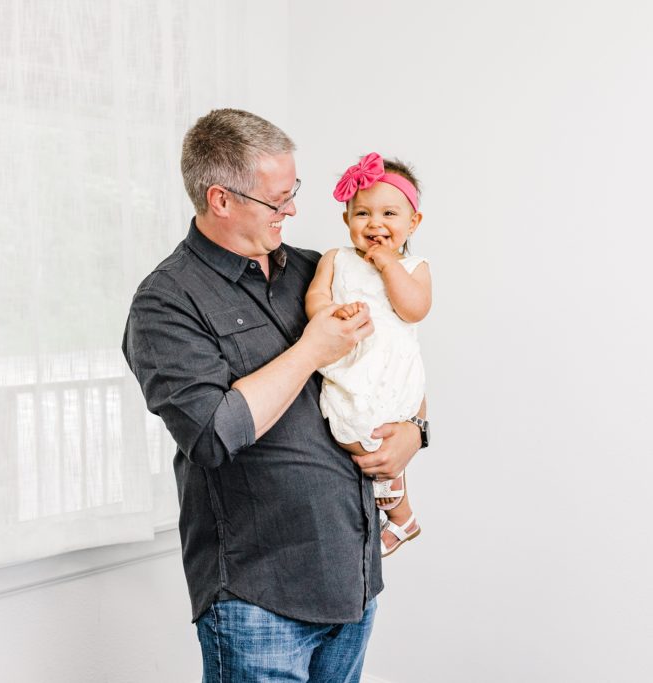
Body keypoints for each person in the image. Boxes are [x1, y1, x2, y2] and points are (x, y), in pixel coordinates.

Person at [121, 109, 425, 682]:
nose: (292, 209)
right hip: (260, 598)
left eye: (294, 191)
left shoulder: (318, 270)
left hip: (352, 579)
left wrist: (416, 432)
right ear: (221, 199)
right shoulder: (166, 303)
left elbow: (399, 357)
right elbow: (212, 434)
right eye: (277, 199)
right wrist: (312, 348)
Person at [305, 152, 431, 558]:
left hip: (392, 368)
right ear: (346, 221)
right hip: (351, 362)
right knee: (352, 428)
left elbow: (414, 308)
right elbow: (315, 296)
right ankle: (402, 514)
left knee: (385, 437)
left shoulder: (414, 266)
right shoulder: (335, 259)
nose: (375, 224)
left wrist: (387, 264)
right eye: (362, 214)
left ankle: (397, 508)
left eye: (389, 214)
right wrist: (329, 311)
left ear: (413, 223)